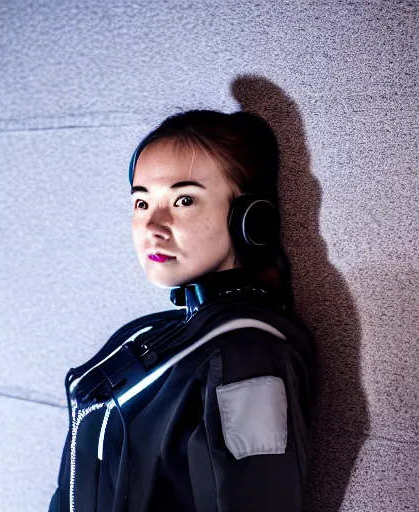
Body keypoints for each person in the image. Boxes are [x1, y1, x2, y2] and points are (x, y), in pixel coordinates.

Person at [48, 109, 315, 512]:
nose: (153, 224)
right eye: (141, 202)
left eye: (184, 199)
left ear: (250, 219)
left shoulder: (249, 358)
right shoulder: (166, 338)